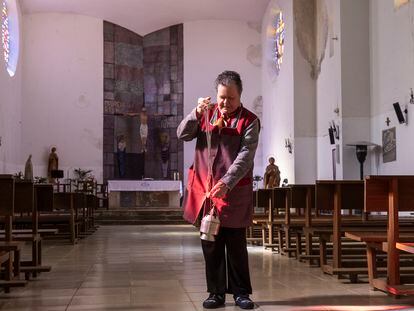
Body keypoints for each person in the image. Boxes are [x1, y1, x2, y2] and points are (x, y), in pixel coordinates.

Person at [177, 71, 260, 310]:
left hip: (233, 191)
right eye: (222, 97)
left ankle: (241, 293)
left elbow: (246, 156)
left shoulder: (249, 120)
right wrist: (196, 113)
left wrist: (227, 181)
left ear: (240, 96)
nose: (225, 103)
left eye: (231, 98)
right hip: (205, 191)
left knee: (235, 243)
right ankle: (216, 293)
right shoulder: (206, 114)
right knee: (210, 243)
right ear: (216, 94)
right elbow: (182, 134)